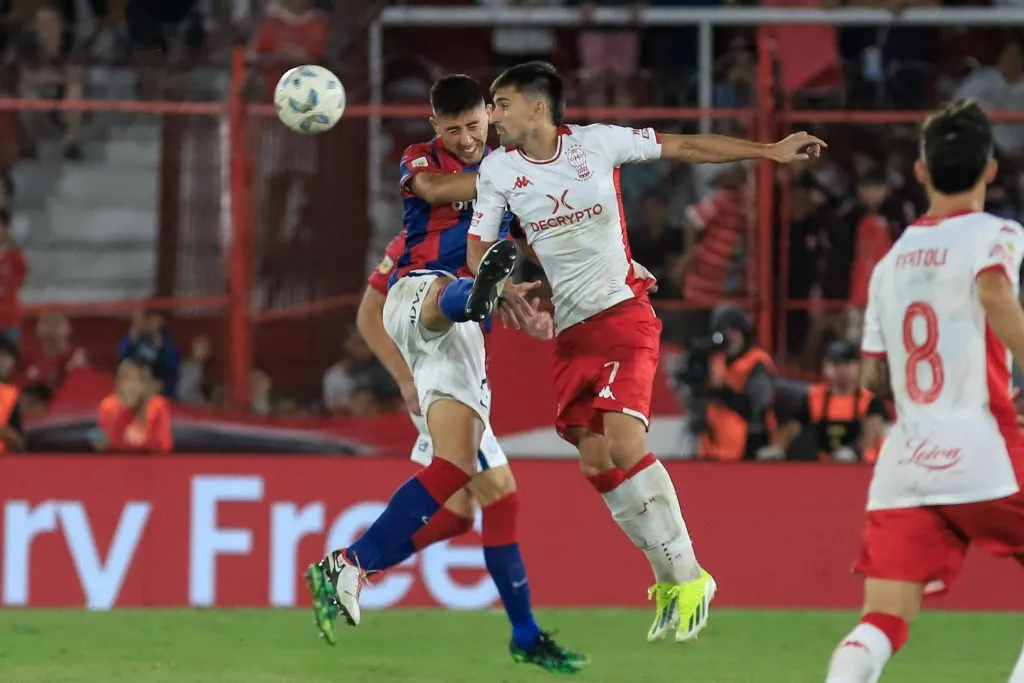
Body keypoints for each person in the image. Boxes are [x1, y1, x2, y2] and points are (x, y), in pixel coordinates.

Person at [467, 61, 824, 642]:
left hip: (624, 313)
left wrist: (768, 149)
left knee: (625, 441)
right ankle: (668, 578)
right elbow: (480, 243)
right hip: (573, 332)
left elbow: (683, 145)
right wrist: (498, 282)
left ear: (537, 107)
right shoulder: (499, 172)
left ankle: (690, 574)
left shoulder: (598, 143)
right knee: (594, 461)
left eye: (501, 104)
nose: (493, 116)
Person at [304, 75, 585, 672]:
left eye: (472, 126)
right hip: (420, 304)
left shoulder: (510, 188)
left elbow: (549, 241)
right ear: (436, 128)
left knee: (474, 505)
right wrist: (404, 379)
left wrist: (535, 299)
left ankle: (519, 629)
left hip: (459, 345)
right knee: (442, 293)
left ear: (490, 115)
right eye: (451, 129)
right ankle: (356, 565)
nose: (462, 138)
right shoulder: (423, 171)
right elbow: (428, 194)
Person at [823, 99, 1024, 682]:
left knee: (882, 619)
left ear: (920, 171)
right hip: (986, 450)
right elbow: (992, 293)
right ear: (990, 169)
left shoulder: (889, 263)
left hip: (907, 463)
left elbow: (873, 378)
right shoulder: (997, 233)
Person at [765, 339, 887, 463]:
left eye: (847, 364)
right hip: (825, 467)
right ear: (825, 367)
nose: (841, 370)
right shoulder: (814, 398)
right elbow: (792, 427)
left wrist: (853, 451)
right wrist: (777, 448)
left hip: (864, 468)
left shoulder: (871, 401)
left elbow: (871, 434)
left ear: (858, 367)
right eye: (835, 364)